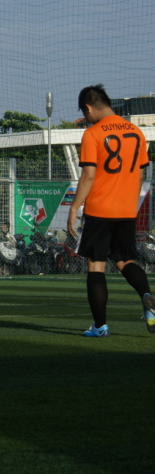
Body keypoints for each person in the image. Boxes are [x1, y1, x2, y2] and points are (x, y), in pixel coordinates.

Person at [67, 84, 155, 337]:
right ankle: (147, 296)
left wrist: (74, 208)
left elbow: (89, 175)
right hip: (127, 209)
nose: (85, 119)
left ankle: (100, 326)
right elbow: (140, 173)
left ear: (88, 107)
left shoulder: (92, 134)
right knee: (125, 260)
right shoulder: (137, 133)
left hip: (99, 208)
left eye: (84, 114)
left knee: (96, 265)